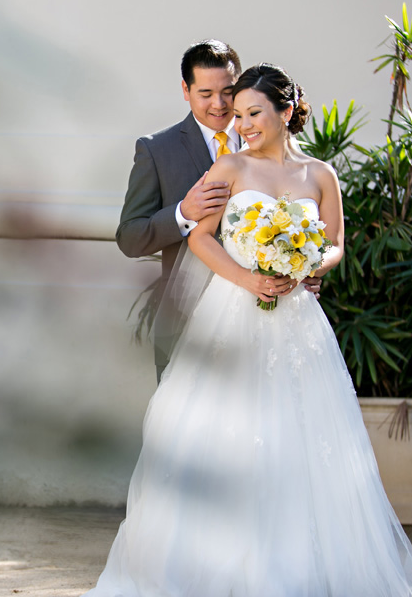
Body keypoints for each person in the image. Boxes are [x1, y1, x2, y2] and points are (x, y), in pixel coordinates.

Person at [83, 63, 412, 596]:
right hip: (231, 314)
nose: (241, 124)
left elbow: (336, 243)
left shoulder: (320, 175)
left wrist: (311, 264)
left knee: (302, 440)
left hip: (298, 325)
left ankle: (295, 567)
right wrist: (247, 277)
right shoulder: (228, 168)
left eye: (253, 113)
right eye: (237, 115)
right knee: (225, 434)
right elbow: (199, 237)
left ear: (286, 111)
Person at [117, 41, 319, 382]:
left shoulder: (272, 143)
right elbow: (130, 239)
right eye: (206, 93)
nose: (219, 104)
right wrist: (183, 212)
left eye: (228, 91)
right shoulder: (156, 150)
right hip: (188, 320)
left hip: (271, 321)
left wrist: (304, 264)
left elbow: (310, 221)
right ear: (186, 89)